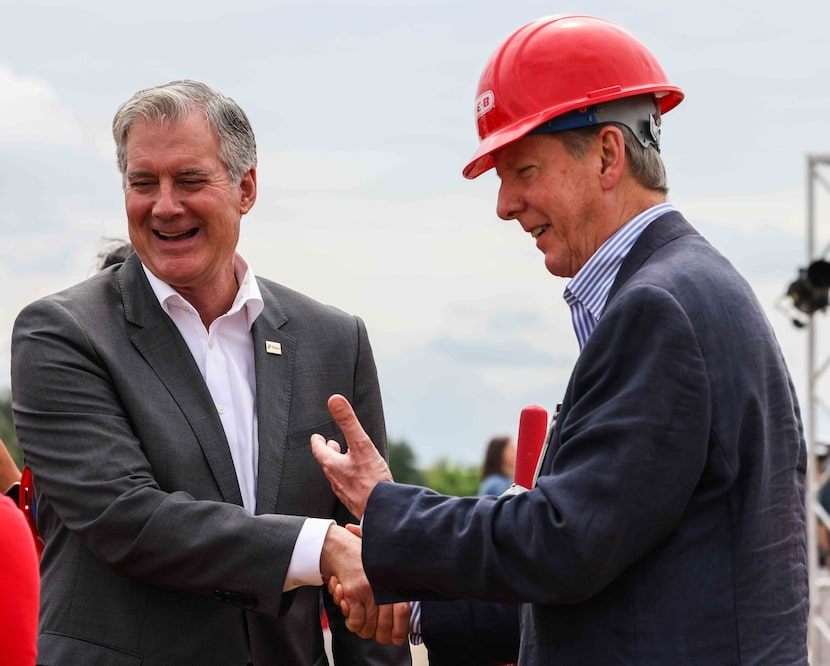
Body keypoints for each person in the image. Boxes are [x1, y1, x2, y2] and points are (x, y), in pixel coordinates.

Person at [310, 14, 809, 665]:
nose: (504, 204)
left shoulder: (658, 309)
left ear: (607, 154)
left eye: (522, 170)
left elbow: (567, 543)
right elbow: (605, 573)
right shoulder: (686, 290)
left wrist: (387, 513)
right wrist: (420, 610)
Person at [11, 80, 410, 665]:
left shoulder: (333, 340)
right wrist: (316, 546)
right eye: (143, 183)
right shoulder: (61, 333)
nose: (164, 205)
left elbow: (366, 562)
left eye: (190, 180)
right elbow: (127, 518)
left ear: (245, 188)